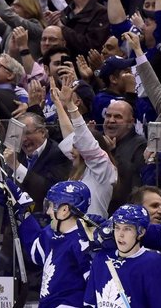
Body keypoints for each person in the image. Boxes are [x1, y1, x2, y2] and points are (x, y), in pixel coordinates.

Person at [8, 180, 93, 307]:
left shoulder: (84, 242)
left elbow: (95, 286)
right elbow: (36, 251)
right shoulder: (52, 232)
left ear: (64, 209)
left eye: (51, 205)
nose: (48, 212)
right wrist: (22, 210)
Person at [84, 204, 161, 307]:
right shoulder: (101, 258)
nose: (120, 234)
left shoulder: (155, 264)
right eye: (117, 228)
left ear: (141, 232)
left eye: (127, 229)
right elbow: (90, 303)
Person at [53, 75, 117, 218]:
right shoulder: (80, 168)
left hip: (92, 234)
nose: (71, 152)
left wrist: (71, 105)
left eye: (76, 148)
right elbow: (71, 135)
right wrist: (58, 103)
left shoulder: (103, 169)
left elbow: (83, 139)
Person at [2, 112, 71, 211]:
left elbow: (47, 190)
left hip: (44, 216)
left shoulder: (58, 154)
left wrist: (16, 166)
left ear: (42, 132)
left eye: (27, 133)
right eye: (20, 135)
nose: (24, 139)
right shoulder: (17, 152)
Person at [103, 100, 146, 213]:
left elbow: (133, 181)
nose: (111, 120)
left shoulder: (141, 146)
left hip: (125, 210)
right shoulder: (99, 143)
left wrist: (110, 154)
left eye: (118, 117)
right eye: (108, 115)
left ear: (130, 122)